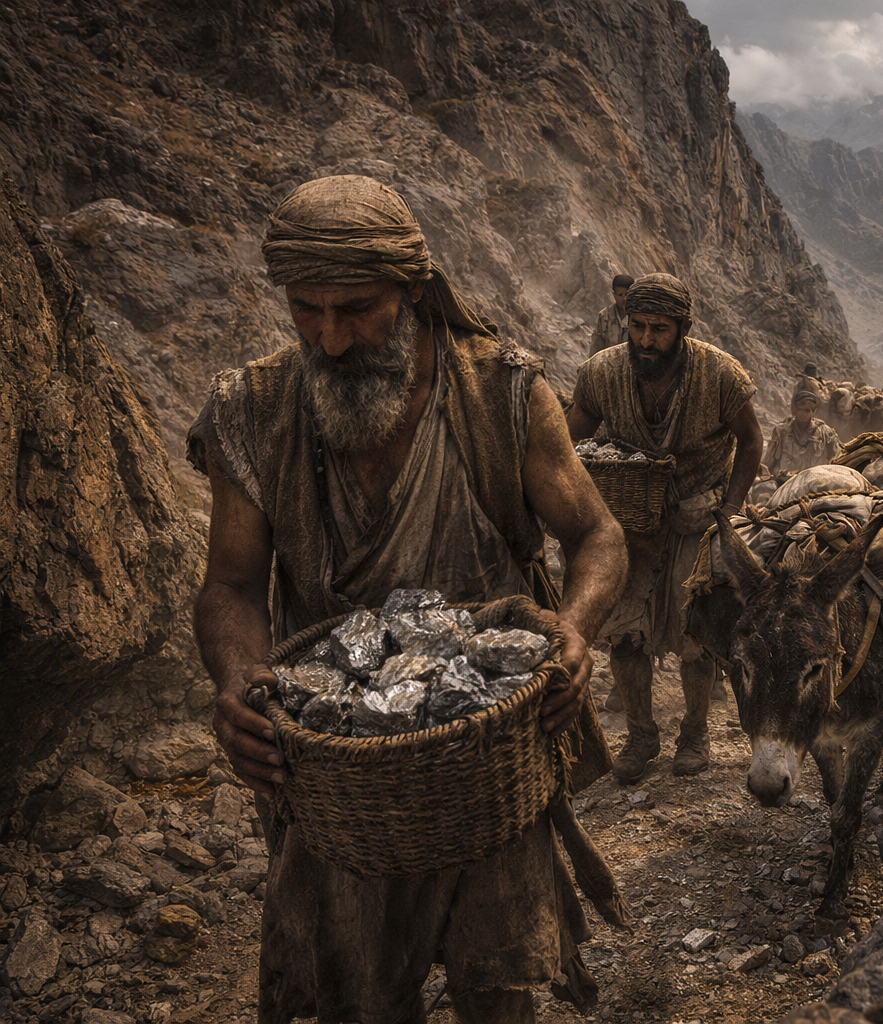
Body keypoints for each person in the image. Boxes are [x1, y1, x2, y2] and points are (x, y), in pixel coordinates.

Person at [190, 175, 631, 1024]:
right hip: (337, 767)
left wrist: (573, 632)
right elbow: (230, 586)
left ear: (413, 288)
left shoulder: (501, 390)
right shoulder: (251, 409)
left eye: (356, 308)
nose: (330, 337)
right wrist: (239, 680)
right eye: (305, 309)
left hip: (486, 753)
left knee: (498, 985)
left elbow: (598, 536)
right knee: (356, 992)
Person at [567, 272, 763, 783]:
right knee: (624, 632)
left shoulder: (721, 374)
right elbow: (567, 442)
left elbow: (751, 441)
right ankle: (640, 737)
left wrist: (733, 509)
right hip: (629, 522)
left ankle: (694, 736)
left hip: (698, 516)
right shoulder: (602, 373)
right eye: (637, 327)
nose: (647, 340)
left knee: (697, 633)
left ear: (682, 328)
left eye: (659, 329)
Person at [764, 390, 842, 475]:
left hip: (814, 480)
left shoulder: (825, 433)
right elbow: (768, 462)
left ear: (813, 412)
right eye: (799, 409)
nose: (802, 413)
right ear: (794, 410)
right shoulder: (781, 432)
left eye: (807, 410)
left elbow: (837, 459)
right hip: (786, 481)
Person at [588, 273, 633, 357]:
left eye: (627, 294)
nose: (624, 299)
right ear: (614, 295)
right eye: (620, 295)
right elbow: (596, 347)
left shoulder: (638, 316)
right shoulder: (605, 317)